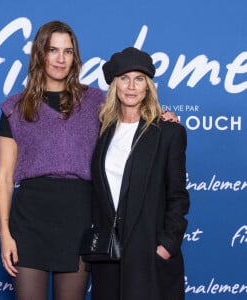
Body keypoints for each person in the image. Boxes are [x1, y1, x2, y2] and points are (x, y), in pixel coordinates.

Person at [0, 20, 178, 300]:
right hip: (29, 220)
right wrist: (5, 233)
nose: (60, 58)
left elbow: (132, 108)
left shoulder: (95, 102)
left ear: (75, 57)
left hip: (80, 220)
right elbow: (5, 177)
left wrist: (162, 116)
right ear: (39, 54)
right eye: (53, 50)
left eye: (68, 51)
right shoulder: (15, 107)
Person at [89, 47, 190, 300]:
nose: (131, 86)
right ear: (115, 85)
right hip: (108, 257)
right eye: (124, 78)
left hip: (148, 256)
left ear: (148, 87)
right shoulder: (102, 131)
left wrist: (166, 247)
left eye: (139, 79)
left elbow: (177, 196)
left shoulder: (167, 132)